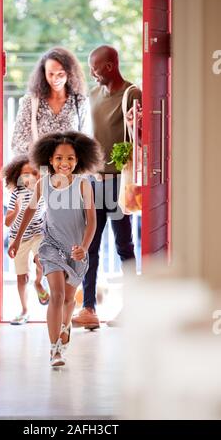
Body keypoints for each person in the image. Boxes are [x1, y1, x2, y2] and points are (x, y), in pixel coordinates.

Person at [8, 131, 104, 367]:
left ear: (78, 160)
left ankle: (65, 326)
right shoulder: (43, 184)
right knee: (58, 295)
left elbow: (91, 221)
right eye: (59, 158)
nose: (65, 163)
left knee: (70, 300)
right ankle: (55, 350)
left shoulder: (83, 185)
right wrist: (17, 239)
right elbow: (29, 211)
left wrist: (83, 247)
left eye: (70, 158)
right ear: (50, 160)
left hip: (76, 250)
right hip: (50, 246)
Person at [72, 45, 142, 329]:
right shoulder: (92, 96)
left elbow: (142, 137)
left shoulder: (132, 93)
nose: (92, 73)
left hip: (119, 183)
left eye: (95, 68)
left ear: (111, 66)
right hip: (94, 182)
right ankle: (88, 309)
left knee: (123, 245)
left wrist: (136, 126)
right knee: (90, 247)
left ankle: (133, 309)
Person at [11, 47, 87, 156]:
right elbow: (17, 143)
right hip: (41, 169)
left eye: (60, 74)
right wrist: (39, 149)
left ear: (69, 73)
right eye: (50, 74)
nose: (55, 79)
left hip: (69, 170)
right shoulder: (31, 101)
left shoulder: (79, 101)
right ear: (43, 73)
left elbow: (84, 142)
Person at [1, 155, 49, 325]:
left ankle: (38, 283)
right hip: (18, 237)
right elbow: (7, 222)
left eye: (32, 172)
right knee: (22, 277)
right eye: (24, 174)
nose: (29, 176)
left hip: (37, 233)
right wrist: (16, 210)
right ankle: (24, 310)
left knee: (41, 260)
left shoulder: (43, 190)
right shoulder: (17, 193)